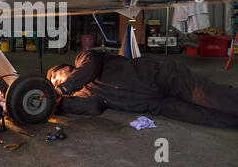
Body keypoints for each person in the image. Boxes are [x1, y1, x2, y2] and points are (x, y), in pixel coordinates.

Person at [47, 50, 238, 129]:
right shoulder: (84, 92)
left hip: (161, 75)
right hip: (157, 104)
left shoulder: (84, 58)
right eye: (54, 83)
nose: (56, 82)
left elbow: (88, 69)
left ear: (66, 68)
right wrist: (54, 104)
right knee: (205, 118)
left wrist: (60, 89)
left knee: (214, 97)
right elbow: (92, 107)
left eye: (56, 76)